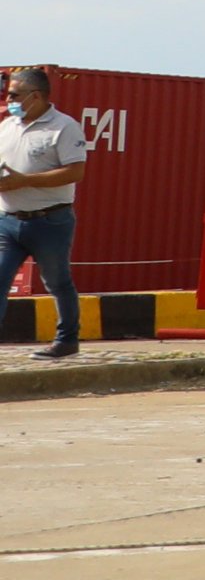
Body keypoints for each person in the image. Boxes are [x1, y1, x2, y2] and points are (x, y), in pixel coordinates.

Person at [1, 65, 87, 361]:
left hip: (50, 221)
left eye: (13, 94)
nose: (8, 99)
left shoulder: (64, 127)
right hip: (7, 221)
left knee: (57, 281)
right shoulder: (6, 126)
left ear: (34, 96)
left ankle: (67, 340)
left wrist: (24, 180)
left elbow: (75, 171)